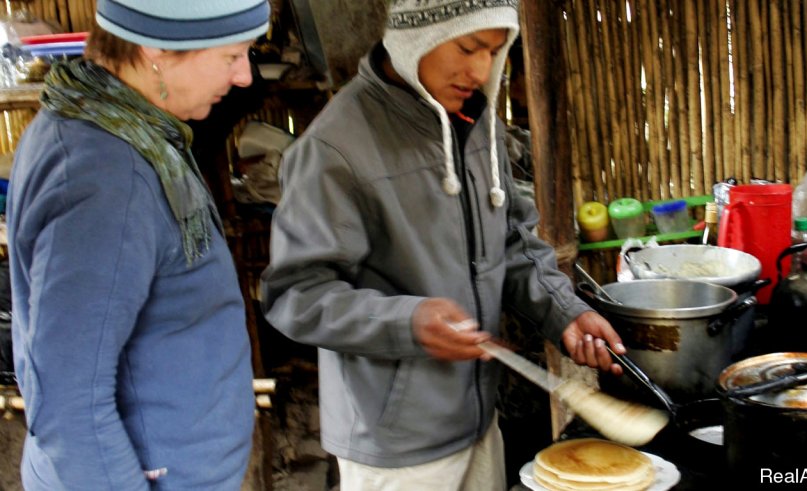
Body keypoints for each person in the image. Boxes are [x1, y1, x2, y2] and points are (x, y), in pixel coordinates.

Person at [260, 1, 625, 489]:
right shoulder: (335, 150)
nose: (480, 69)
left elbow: (513, 239)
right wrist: (407, 323)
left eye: (495, 51)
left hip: (476, 421)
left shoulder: (476, 124)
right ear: (416, 39)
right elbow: (296, 296)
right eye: (468, 47)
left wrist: (564, 310)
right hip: (395, 445)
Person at [5, 0, 269, 488]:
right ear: (156, 52)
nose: (244, 78)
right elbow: (69, 402)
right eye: (232, 56)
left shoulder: (121, 128)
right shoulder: (107, 177)